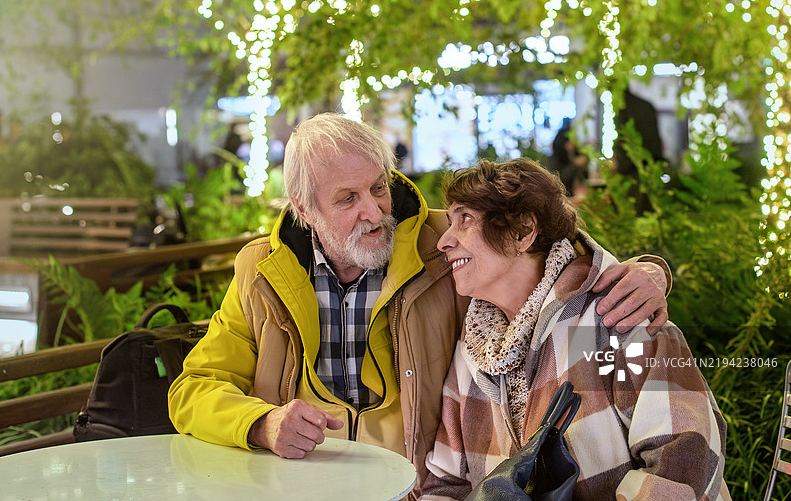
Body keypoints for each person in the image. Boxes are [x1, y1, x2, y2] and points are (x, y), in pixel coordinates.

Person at [167, 113, 672, 499]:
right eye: (347, 199)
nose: (374, 211)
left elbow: (539, 241)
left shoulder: (441, 244)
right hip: (299, 485)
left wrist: (648, 272)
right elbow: (193, 390)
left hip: (409, 486)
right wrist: (261, 423)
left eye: (379, 188)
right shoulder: (262, 271)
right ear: (304, 210)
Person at [421, 158, 728, 500]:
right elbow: (447, 484)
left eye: (464, 219)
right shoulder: (474, 350)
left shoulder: (622, 319)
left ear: (522, 231)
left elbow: (684, 463)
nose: (444, 241)